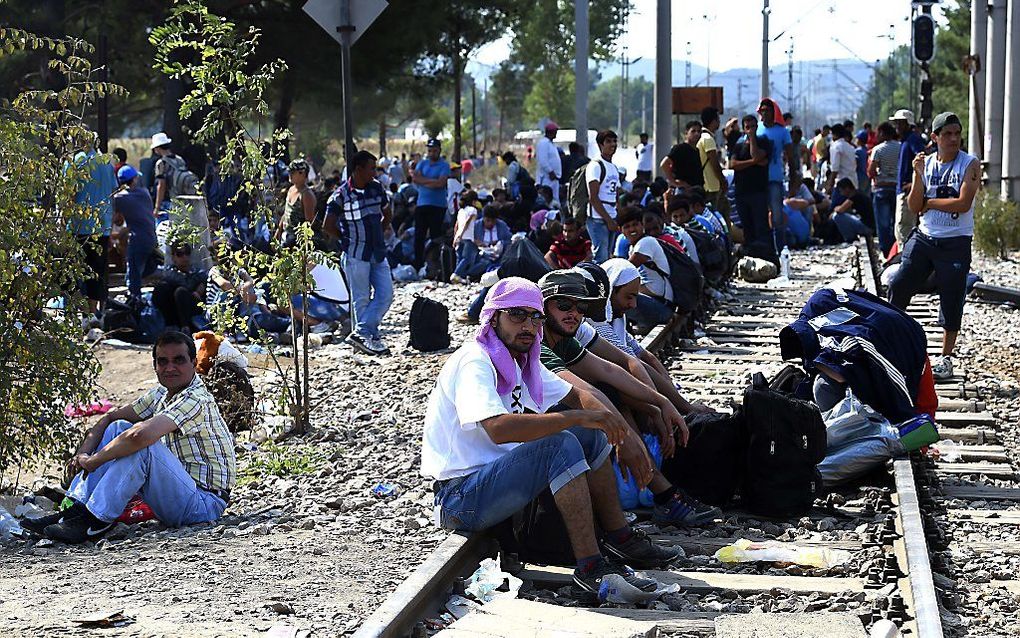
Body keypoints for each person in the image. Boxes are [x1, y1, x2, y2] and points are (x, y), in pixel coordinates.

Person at [421, 278, 682, 594]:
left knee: (590, 435)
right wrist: (578, 417)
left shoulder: (522, 361)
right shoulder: (475, 360)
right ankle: (590, 568)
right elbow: (498, 428)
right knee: (561, 443)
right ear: (493, 317)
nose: (528, 326)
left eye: (534, 317)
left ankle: (619, 539)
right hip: (460, 497)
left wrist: (622, 436)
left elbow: (580, 397)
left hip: (494, 484)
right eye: (517, 315)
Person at [536, 270, 719, 527]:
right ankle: (623, 526)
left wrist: (661, 403)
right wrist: (625, 435)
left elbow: (611, 369)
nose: (574, 314)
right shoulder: (539, 345)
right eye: (564, 305)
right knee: (598, 427)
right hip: (515, 443)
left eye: (581, 308)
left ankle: (648, 507)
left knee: (611, 398)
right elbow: (584, 393)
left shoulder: (564, 339)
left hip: (541, 429)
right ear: (542, 307)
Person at [24, 331, 235, 543]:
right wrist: (82, 455)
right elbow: (110, 418)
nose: (170, 368)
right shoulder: (161, 394)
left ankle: (97, 520)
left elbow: (139, 437)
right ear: (155, 366)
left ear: (193, 362)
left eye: (178, 360)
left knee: (143, 445)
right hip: (180, 492)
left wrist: (93, 462)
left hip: (204, 504)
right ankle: (76, 511)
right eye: (163, 362)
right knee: (119, 427)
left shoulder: (195, 398)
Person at [888, 112, 980, 380]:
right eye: (947, 134)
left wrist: (930, 202)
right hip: (925, 237)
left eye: (957, 133)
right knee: (900, 282)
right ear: (935, 138)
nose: (953, 139)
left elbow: (963, 203)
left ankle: (946, 357)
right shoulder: (926, 164)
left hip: (956, 240)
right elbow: (914, 206)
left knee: (951, 296)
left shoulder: (970, 164)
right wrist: (918, 176)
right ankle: (892, 340)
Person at [324, 150, 394, 356]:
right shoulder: (340, 196)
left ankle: (361, 333)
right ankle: (368, 340)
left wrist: (379, 232)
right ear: (358, 169)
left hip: (378, 252)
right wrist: (347, 240)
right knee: (361, 298)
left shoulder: (377, 188)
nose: (375, 172)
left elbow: (387, 212)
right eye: (371, 168)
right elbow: (328, 225)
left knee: (386, 294)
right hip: (355, 254)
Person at [618, 209, 674, 330]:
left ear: (642, 225)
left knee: (616, 298)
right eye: (627, 227)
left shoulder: (646, 242)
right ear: (621, 231)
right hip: (656, 306)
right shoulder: (634, 247)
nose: (632, 229)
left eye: (635, 225)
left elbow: (624, 272)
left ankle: (620, 337)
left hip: (661, 308)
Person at [113, 165, 159, 300]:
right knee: (136, 271)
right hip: (151, 239)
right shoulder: (144, 193)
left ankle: (135, 302)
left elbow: (117, 220)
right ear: (133, 180)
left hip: (138, 240)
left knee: (133, 277)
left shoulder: (118, 198)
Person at [756, 98, 793, 252]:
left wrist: (794, 177)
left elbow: (791, 156)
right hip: (757, 179)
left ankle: (780, 247)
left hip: (775, 178)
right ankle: (765, 247)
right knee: (760, 214)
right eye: (762, 110)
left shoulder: (782, 131)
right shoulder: (756, 129)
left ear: (774, 112)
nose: (764, 113)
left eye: (767, 110)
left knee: (777, 215)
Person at [730, 114, 772, 251]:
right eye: (748, 127)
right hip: (742, 192)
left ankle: (765, 252)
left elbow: (757, 155)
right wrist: (754, 163)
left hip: (758, 191)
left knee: (761, 226)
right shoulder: (738, 145)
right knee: (747, 226)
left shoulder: (764, 141)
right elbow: (733, 164)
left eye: (753, 127)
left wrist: (753, 138)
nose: (750, 130)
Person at [890, 109, 928, 249]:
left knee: (904, 227)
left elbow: (923, 159)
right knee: (901, 227)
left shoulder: (913, 139)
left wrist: (914, 184)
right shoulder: (905, 141)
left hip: (907, 192)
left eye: (900, 123)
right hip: (902, 190)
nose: (897, 127)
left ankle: (906, 259)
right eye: (896, 124)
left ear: (908, 124)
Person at [411, 138, 450, 269]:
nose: (432, 153)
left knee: (435, 236)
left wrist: (424, 180)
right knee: (419, 236)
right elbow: (415, 178)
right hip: (422, 204)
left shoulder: (444, 165)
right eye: (429, 150)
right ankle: (418, 264)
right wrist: (432, 181)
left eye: (434, 150)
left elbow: (441, 183)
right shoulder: (422, 163)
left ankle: (435, 264)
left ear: (439, 150)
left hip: (438, 206)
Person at [152, 243, 208, 332]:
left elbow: (205, 279)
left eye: (187, 253)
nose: (184, 257)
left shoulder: (197, 272)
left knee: (181, 292)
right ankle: (169, 325)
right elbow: (184, 284)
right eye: (180, 254)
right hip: (174, 308)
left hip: (192, 306)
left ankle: (185, 327)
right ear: (173, 257)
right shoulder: (170, 272)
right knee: (162, 287)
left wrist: (201, 286)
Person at [585, 129, 622, 263]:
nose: (612, 144)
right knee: (600, 257)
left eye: (614, 141)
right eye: (608, 141)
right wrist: (608, 220)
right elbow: (593, 198)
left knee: (608, 257)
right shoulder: (596, 165)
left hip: (611, 216)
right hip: (598, 218)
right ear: (600, 145)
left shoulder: (613, 167)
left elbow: (616, 194)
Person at [450, 205, 511, 282]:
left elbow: (509, 240)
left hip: (498, 255)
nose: (490, 223)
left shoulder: (502, 225)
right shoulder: (476, 225)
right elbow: (469, 239)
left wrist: (500, 243)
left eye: (493, 221)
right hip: (481, 255)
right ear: (484, 218)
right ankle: (464, 274)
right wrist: (476, 242)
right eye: (488, 220)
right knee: (484, 262)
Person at [868, 122, 902, 255]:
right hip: (897, 188)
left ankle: (886, 251)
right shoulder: (900, 147)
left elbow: (871, 171)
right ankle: (896, 249)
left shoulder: (878, 149)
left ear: (883, 133)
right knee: (896, 221)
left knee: (883, 223)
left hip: (882, 189)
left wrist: (878, 174)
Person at [151, 132, 197, 214]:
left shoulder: (161, 163)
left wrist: (157, 207)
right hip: (183, 199)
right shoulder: (179, 159)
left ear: (158, 148)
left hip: (168, 201)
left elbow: (161, 185)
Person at [698, 107, 730, 223]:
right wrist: (722, 180)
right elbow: (714, 163)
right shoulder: (708, 139)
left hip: (707, 185)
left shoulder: (702, 137)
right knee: (719, 218)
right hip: (711, 187)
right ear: (713, 121)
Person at [276, 159, 316, 247]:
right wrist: (278, 233)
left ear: (302, 173)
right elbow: (286, 214)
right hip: (286, 236)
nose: (290, 174)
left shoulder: (306, 195)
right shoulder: (291, 189)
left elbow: (309, 223)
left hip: (296, 242)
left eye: (293, 172)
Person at [661, 121, 705, 193]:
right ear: (686, 133)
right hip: (684, 190)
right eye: (693, 131)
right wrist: (674, 182)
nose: (696, 134)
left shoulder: (697, 150)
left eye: (699, 131)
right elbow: (664, 164)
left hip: (697, 190)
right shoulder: (680, 148)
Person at [828, 178, 875, 243]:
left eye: (841, 191)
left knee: (836, 216)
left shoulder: (854, 196)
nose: (841, 194)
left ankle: (850, 239)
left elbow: (840, 210)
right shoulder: (859, 193)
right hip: (870, 225)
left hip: (867, 227)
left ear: (847, 188)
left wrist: (834, 209)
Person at [826, 123, 858, 194]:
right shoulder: (850, 147)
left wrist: (829, 185)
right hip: (853, 182)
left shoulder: (835, 147)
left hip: (842, 185)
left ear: (835, 134)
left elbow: (835, 169)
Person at [537, 121, 562, 206]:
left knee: (554, 201)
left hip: (554, 178)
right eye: (555, 131)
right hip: (547, 177)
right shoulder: (544, 143)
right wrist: (550, 171)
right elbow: (543, 160)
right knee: (547, 200)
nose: (556, 134)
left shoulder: (551, 144)